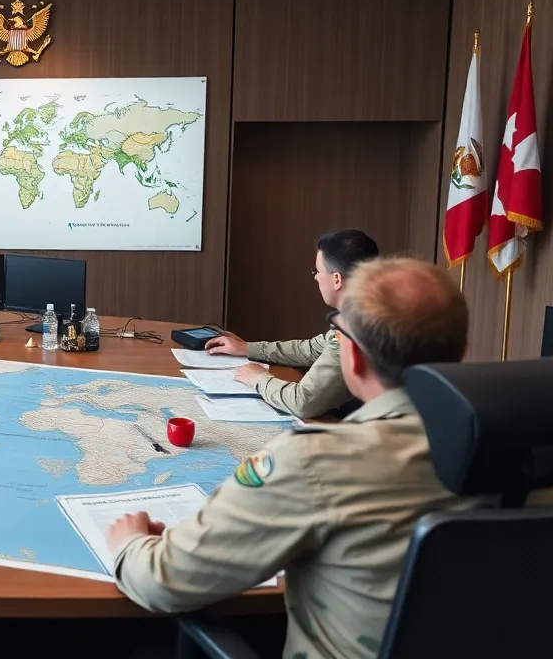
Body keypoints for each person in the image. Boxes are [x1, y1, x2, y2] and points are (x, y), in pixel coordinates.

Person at [106, 257, 481, 659]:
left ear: (351, 357)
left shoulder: (316, 461)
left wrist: (130, 545)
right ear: (462, 350)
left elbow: (164, 583)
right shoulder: (531, 450)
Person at [205, 229, 379, 418]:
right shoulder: (373, 310)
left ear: (337, 279)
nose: (315, 277)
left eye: (318, 271)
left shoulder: (356, 330)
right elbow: (312, 349)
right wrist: (247, 348)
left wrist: (259, 379)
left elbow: (302, 403)